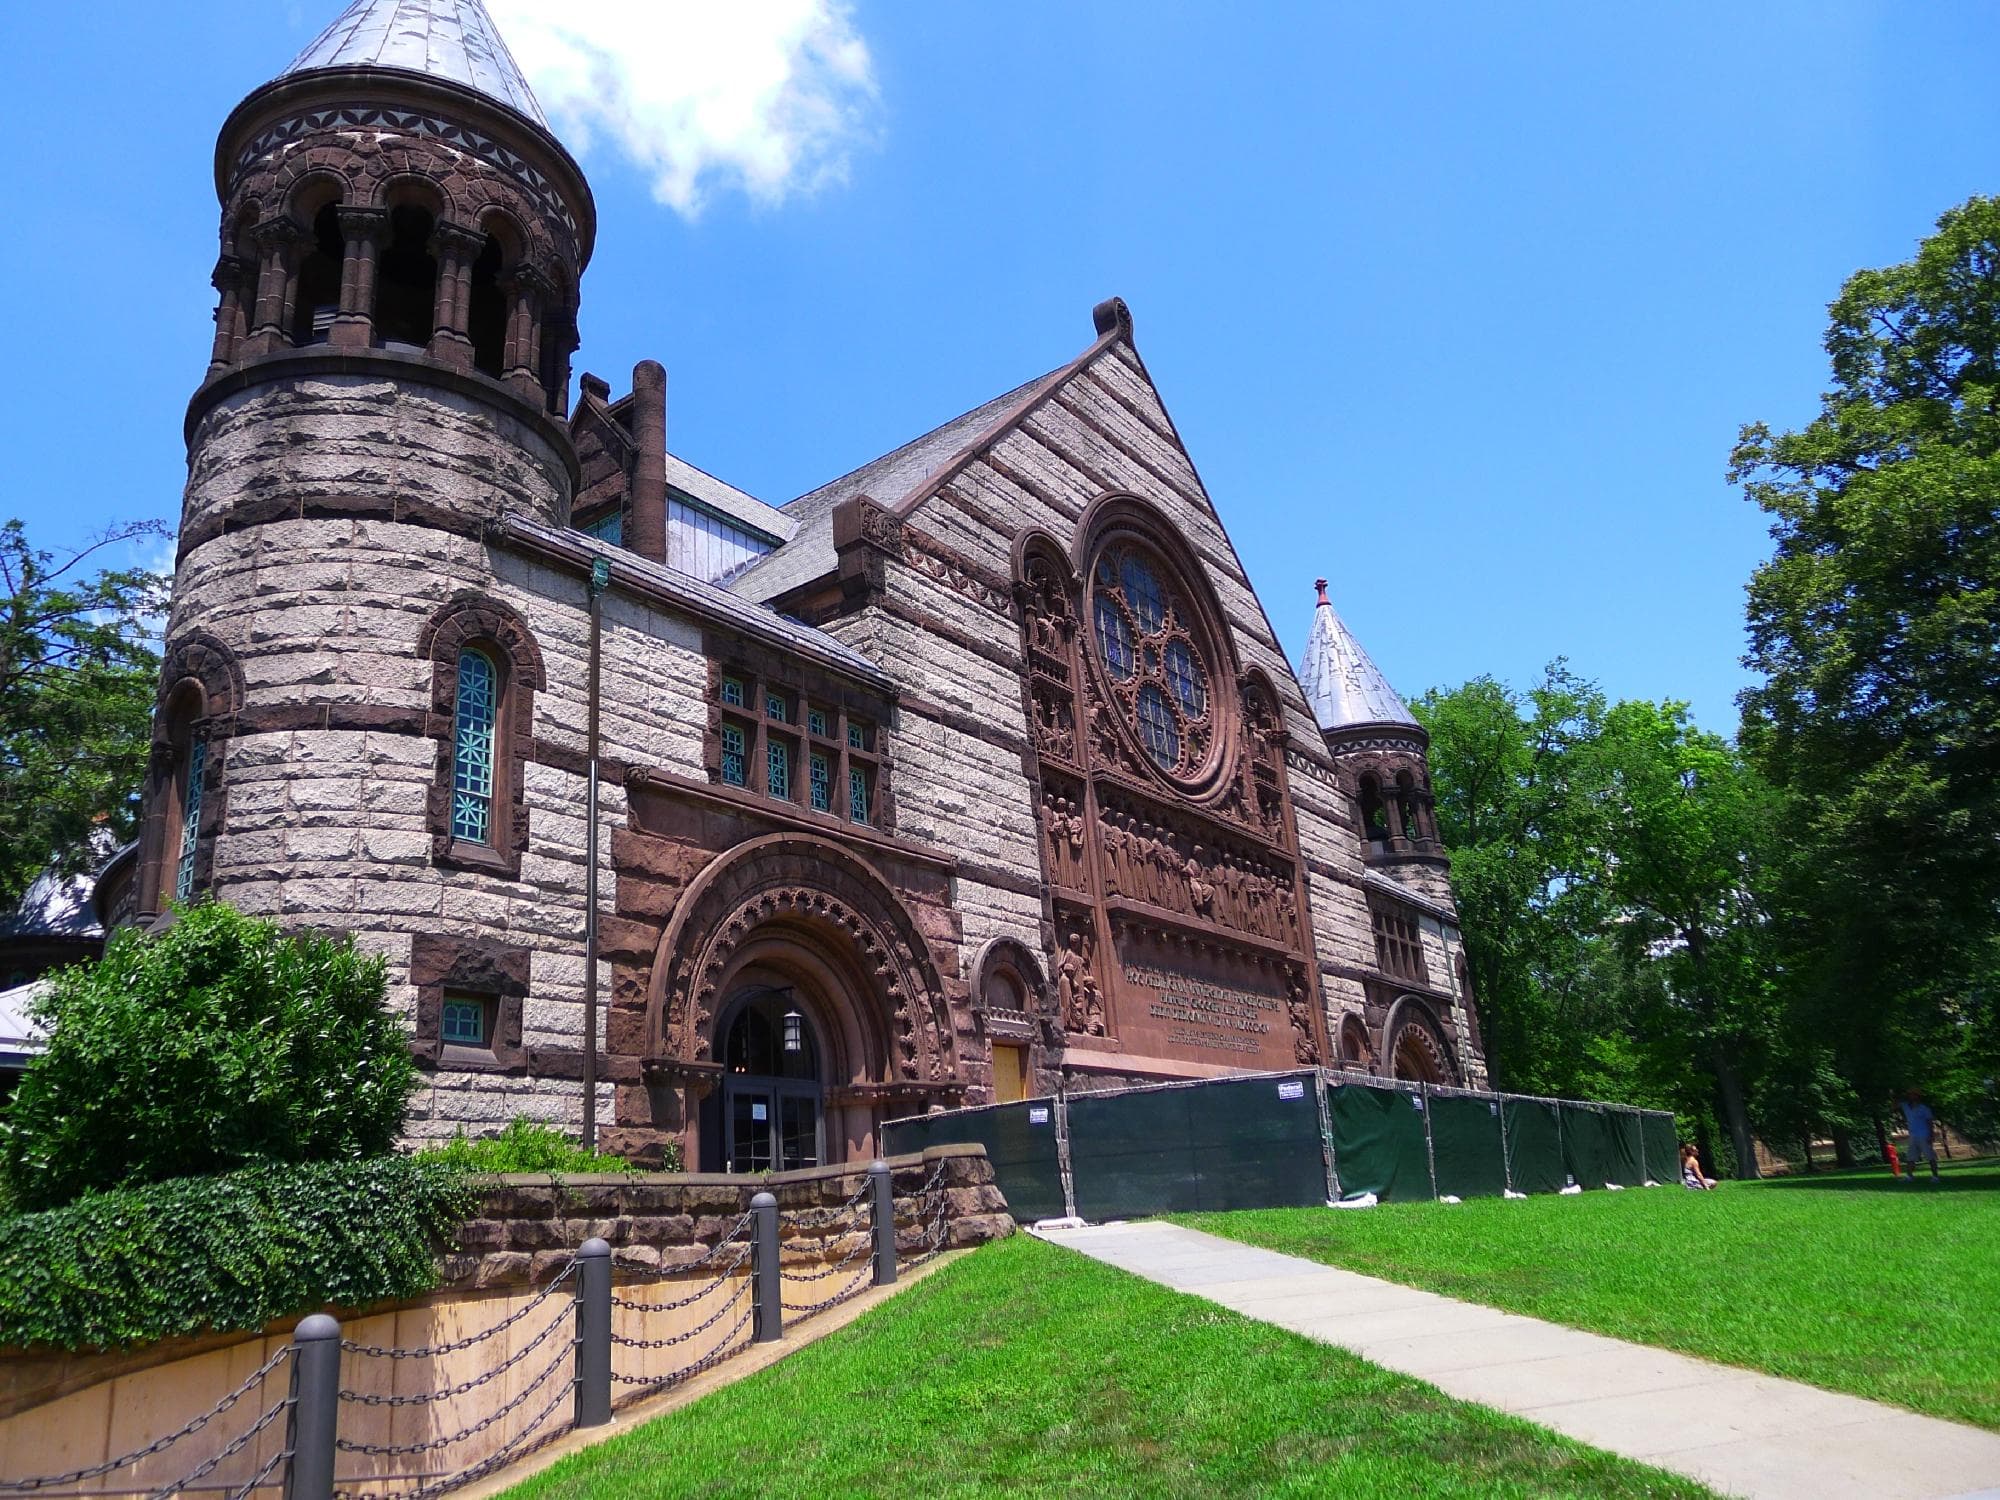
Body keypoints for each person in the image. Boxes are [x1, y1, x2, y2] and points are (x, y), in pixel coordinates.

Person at [1898, 1089, 1941, 1184]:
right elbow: (1894, 1105)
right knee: (1910, 1157)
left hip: (1924, 1135)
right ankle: (1909, 1176)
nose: (1911, 1096)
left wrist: (1931, 1135)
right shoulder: (1906, 1106)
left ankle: (1935, 1177)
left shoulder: (1924, 1109)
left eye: (1914, 1095)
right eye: (1910, 1095)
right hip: (1913, 1136)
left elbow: (1930, 1123)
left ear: (1918, 1096)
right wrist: (1893, 1093)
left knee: (1930, 1156)